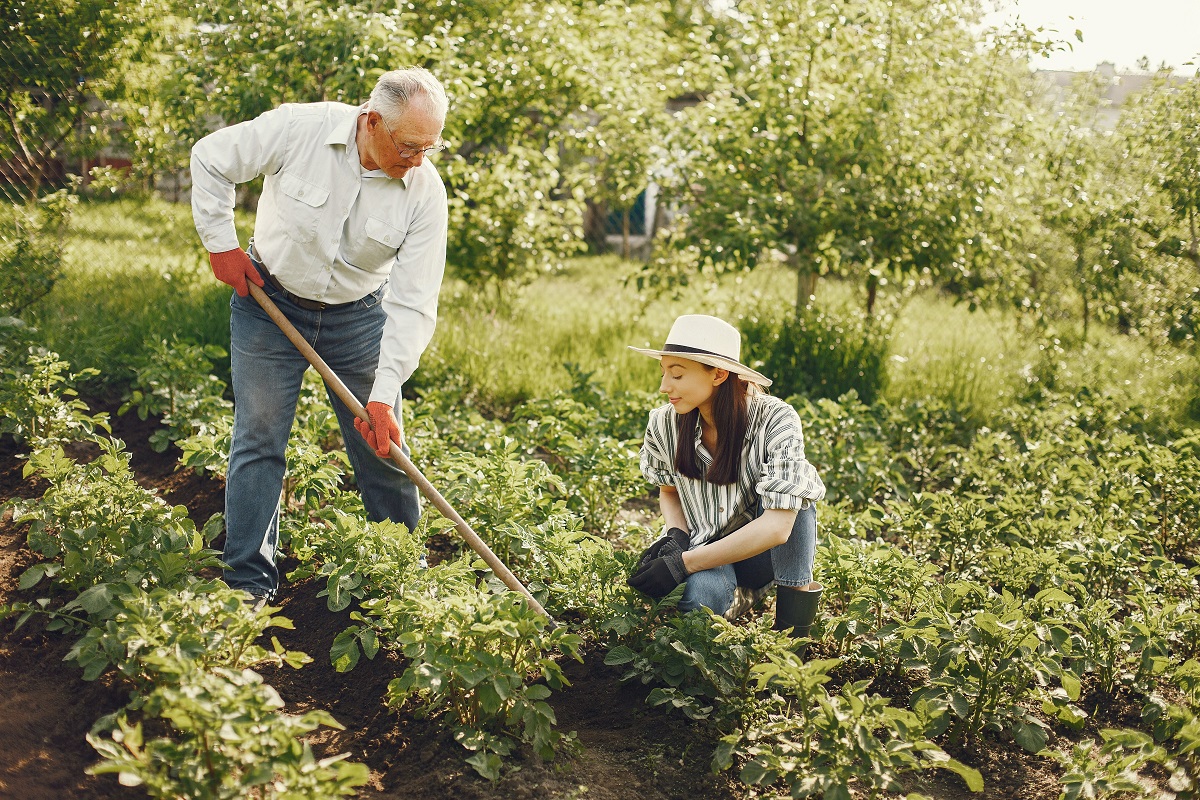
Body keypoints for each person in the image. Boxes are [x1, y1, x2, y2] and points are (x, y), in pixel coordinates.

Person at [189, 67, 450, 604]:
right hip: (269, 301)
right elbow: (210, 157)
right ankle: (247, 584)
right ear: (371, 121)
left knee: (382, 446)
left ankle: (405, 576)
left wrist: (383, 394)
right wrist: (221, 244)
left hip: (359, 318)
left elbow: (413, 302)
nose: (419, 159)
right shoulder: (299, 130)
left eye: (431, 146)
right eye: (409, 146)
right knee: (258, 439)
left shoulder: (424, 192)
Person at [626, 314, 826, 646]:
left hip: (763, 555)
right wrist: (677, 534)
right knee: (701, 600)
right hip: (705, 545)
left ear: (718, 374)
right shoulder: (663, 423)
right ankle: (736, 601)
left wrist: (682, 564)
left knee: (796, 500)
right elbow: (668, 489)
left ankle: (791, 641)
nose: (664, 386)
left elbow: (778, 528)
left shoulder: (775, 419)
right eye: (663, 373)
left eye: (677, 374)